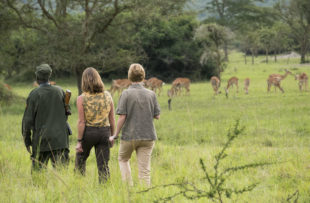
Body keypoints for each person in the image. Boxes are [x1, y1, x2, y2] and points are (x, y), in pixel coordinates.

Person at [109, 63, 160, 186]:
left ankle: (129, 190)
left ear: (129, 76)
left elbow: (122, 116)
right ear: (143, 76)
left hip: (129, 136)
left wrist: (114, 135)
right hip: (148, 136)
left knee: (123, 159)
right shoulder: (151, 94)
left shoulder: (126, 94)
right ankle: (144, 196)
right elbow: (157, 116)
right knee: (144, 170)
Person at [22, 64, 70, 170]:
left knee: (38, 177)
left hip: (41, 141)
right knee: (61, 175)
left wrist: (27, 141)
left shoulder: (34, 94)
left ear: (37, 77)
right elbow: (67, 113)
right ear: (50, 76)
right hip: (60, 141)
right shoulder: (60, 91)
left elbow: (27, 121)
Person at [75, 67, 115, 183]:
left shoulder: (81, 98)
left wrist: (79, 141)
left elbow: (81, 121)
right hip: (104, 132)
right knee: (103, 165)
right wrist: (112, 136)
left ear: (84, 81)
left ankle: (79, 184)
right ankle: (104, 189)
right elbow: (112, 118)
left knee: (80, 160)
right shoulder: (108, 95)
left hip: (89, 132)